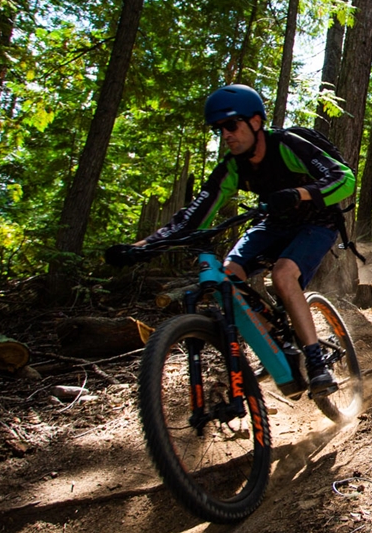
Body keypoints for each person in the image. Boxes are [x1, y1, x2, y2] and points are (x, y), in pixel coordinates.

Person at [107, 84, 355, 397]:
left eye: (231, 125)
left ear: (255, 122)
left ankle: (317, 364)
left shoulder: (286, 144)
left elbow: (343, 178)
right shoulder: (232, 167)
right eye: (219, 129)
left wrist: (299, 194)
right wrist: (143, 247)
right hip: (274, 223)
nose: (225, 135)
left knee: (282, 274)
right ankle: (276, 347)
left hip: (317, 222)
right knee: (228, 275)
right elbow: (193, 217)